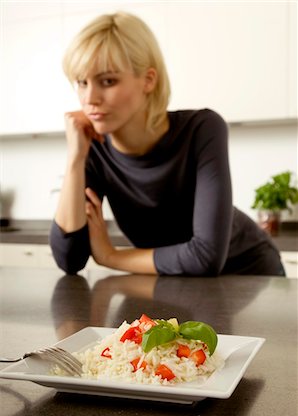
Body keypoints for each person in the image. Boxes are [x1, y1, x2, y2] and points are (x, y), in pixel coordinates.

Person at [50, 11, 285, 277]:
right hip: (176, 281)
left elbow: (205, 257)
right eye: (81, 82)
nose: (90, 98)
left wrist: (111, 256)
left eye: (108, 81)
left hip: (251, 274)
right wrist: (74, 160)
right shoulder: (92, 147)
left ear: (148, 80)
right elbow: (70, 259)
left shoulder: (202, 129)